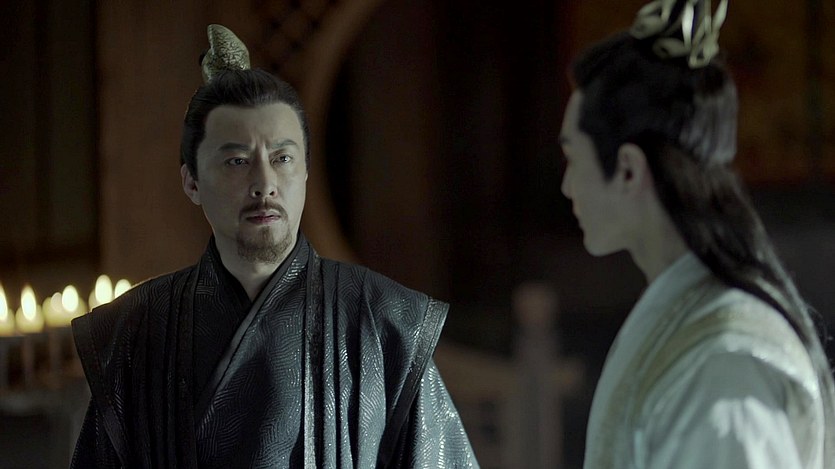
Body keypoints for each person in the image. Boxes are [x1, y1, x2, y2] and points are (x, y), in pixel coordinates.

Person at [71, 24, 478, 468]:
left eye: (282, 158)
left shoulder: (385, 323)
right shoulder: (135, 333)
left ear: (305, 171)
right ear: (191, 182)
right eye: (237, 161)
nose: (264, 184)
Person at [558, 0, 835, 467]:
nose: (567, 185)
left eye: (572, 158)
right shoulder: (689, 325)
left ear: (628, 170)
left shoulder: (722, 363)